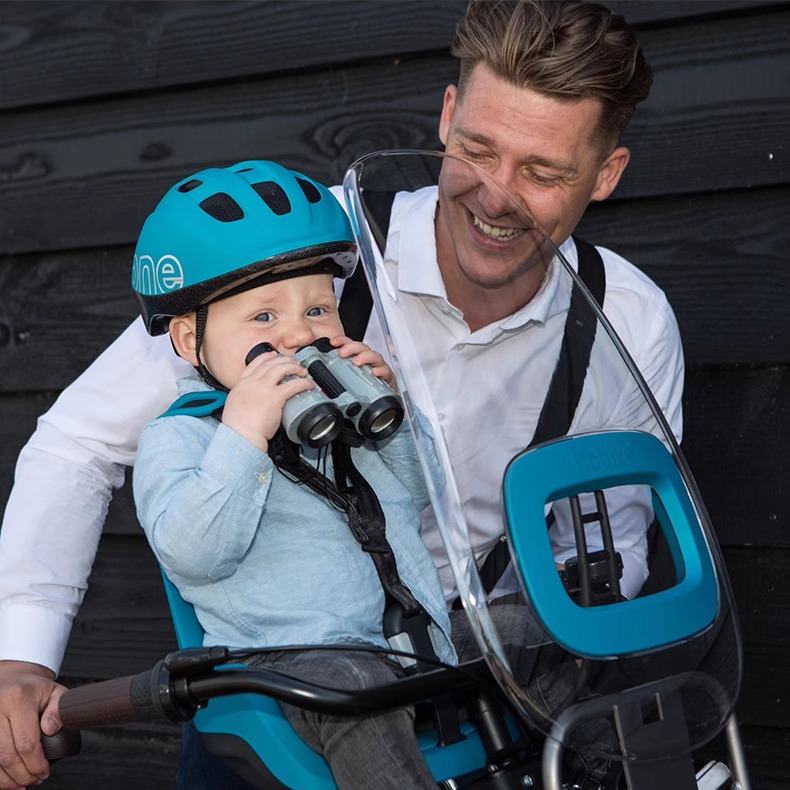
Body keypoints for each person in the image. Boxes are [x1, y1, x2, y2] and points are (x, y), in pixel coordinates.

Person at [0, 2, 683, 788]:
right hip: (285, 709)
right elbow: (77, 443)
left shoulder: (625, 319)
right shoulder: (295, 252)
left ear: (606, 175)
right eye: (479, 150)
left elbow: (608, 550)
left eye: (541, 171)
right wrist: (22, 658)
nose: (496, 197)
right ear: (448, 114)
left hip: (482, 700)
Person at [129, 160, 456, 790]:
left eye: (319, 309)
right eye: (263, 319)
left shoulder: (340, 415)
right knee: (356, 688)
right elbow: (194, 554)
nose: (301, 334)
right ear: (185, 337)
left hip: (409, 646)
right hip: (290, 674)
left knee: (536, 631)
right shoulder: (179, 439)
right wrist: (244, 433)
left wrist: (391, 415)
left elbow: (422, 499)